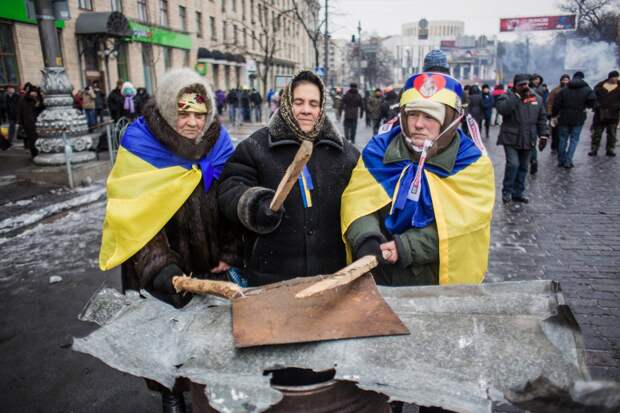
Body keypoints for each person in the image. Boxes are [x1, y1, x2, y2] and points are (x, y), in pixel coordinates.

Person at [99, 68, 239, 413]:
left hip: (209, 266)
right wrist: (161, 268)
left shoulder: (219, 144)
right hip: (162, 270)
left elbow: (229, 199)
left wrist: (230, 249)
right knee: (166, 341)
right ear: (166, 107)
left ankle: (207, 393)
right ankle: (171, 394)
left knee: (209, 340)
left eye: (200, 114)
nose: (193, 122)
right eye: (184, 113)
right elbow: (132, 214)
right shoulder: (141, 145)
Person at [341, 71, 495, 287]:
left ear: (450, 120)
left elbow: (465, 226)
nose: (418, 124)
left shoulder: (471, 163)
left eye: (430, 116)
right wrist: (367, 239)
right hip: (378, 277)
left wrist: (406, 247)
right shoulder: (377, 151)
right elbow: (358, 202)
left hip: (435, 282)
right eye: (412, 114)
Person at [217, 70, 359, 287]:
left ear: (321, 108)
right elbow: (231, 187)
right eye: (298, 102)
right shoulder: (256, 147)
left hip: (330, 276)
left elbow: (363, 196)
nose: (306, 110)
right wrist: (255, 204)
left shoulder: (343, 152)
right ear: (285, 103)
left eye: (313, 104)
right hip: (270, 276)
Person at [496, 74, 549, 204]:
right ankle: (507, 191)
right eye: (521, 85)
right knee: (513, 164)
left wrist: (544, 135)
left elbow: (542, 118)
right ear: (515, 86)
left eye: (526, 84)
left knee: (524, 166)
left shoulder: (536, 98)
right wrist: (517, 97)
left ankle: (518, 192)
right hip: (511, 138)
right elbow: (503, 110)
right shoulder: (506, 97)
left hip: (528, 137)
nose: (524, 87)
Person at [552, 71, 596, 168]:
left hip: (564, 117)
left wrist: (554, 115)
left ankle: (561, 160)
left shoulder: (564, 89)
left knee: (562, 139)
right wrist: (585, 106)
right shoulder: (587, 89)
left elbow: (556, 104)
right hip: (578, 118)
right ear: (582, 78)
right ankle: (568, 161)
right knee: (574, 140)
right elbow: (592, 102)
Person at [590, 70, 620, 157]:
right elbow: (593, 98)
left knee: (612, 134)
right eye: (614, 77)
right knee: (597, 133)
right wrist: (597, 106)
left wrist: (617, 106)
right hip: (600, 113)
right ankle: (594, 149)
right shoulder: (599, 87)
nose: (615, 79)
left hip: (613, 114)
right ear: (610, 77)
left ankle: (610, 149)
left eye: (617, 77)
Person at [17, 85, 44, 158]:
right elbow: (20, 111)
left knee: (39, 138)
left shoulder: (39, 99)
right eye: (32, 92)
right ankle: (34, 153)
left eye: (35, 92)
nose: (34, 94)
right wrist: (20, 122)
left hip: (39, 122)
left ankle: (40, 152)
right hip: (28, 123)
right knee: (32, 139)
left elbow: (42, 108)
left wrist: (39, 104)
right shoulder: (23, 99)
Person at [546, 74, 570, 153]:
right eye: (564, 80)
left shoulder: (571, 90)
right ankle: (554, 147)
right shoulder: (555, 90)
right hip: (556, 114)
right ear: (561, 81)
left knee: (564, 132)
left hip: (566, 114)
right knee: (555, 132)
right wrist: (549, 112)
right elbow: (550, 102)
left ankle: (562, 147)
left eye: (567, 80)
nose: (565, 82)